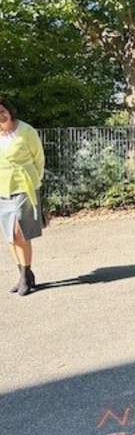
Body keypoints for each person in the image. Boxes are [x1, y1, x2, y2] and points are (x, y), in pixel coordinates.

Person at [0, 98, 45, 296]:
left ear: (9, 110)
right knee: (10, 236)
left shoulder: (26, 131)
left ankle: (26, 275)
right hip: (2, 189)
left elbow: (39, 158)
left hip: (25, 186)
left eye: (2, 111)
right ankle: (23, 273)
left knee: (20, 233)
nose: (1, 116)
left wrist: (36, 180)